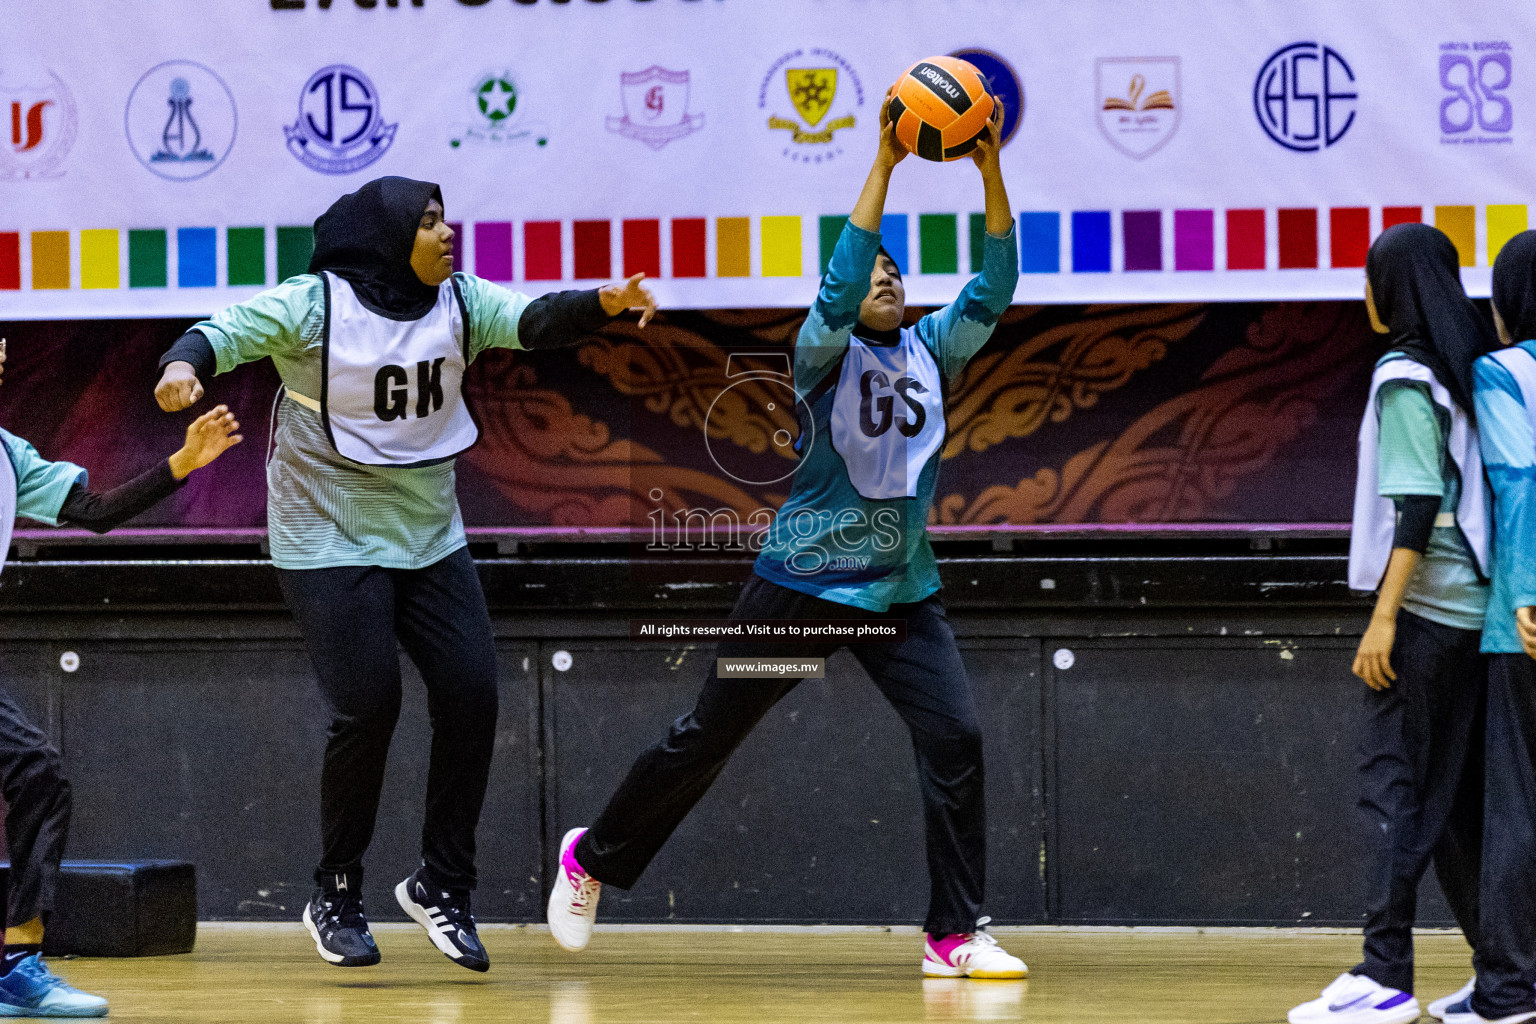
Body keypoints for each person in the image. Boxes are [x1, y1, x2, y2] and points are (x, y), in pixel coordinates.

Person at [545, 102, 1028, 979]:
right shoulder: (822, 352)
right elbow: (839, 284)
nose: (882, 275)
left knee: (956, 738)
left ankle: (952, 934)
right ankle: (592, 857)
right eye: (870, 266)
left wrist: (987, 170)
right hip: (804, 583)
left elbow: (994, 286)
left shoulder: (934, 348)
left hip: (900, 592)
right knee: (708, 735)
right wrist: (883, 165)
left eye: (894, 269)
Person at [152, 177, 656, 973]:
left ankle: (442, 887)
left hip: (426, 536)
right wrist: (183, 368)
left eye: (445, 218)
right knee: (369, 705)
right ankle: (336, 893)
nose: (447, 232)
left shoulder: (458, 301)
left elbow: (534, 321)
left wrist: (603, 300)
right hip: (326, 535)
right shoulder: (312, 306)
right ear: (387, 239)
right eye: (427, 222)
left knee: (472, 695)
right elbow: (218, 333)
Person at [1289, 223, 1494, 1024]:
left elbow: (1416, 507)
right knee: (1453, 811)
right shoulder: (1470, 372)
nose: (1362, 294)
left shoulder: (1406, 375)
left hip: (1427, 616)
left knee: (1394, 793)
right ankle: (1508, 971)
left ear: (1389, 291)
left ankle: (1385, 976)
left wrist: (1383, 621)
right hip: (1478, 619)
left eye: (1368, 278)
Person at [0, 340, 241, 1018]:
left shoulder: (9, 456)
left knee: (38, 775)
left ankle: (17, 964)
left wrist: (182, 464)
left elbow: (93, 510)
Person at [1443, 229, 1536, 1024]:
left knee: (1517, 809)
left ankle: (1509, 989)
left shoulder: (1502, 373)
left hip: (1523, 618)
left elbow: (1521, 482)